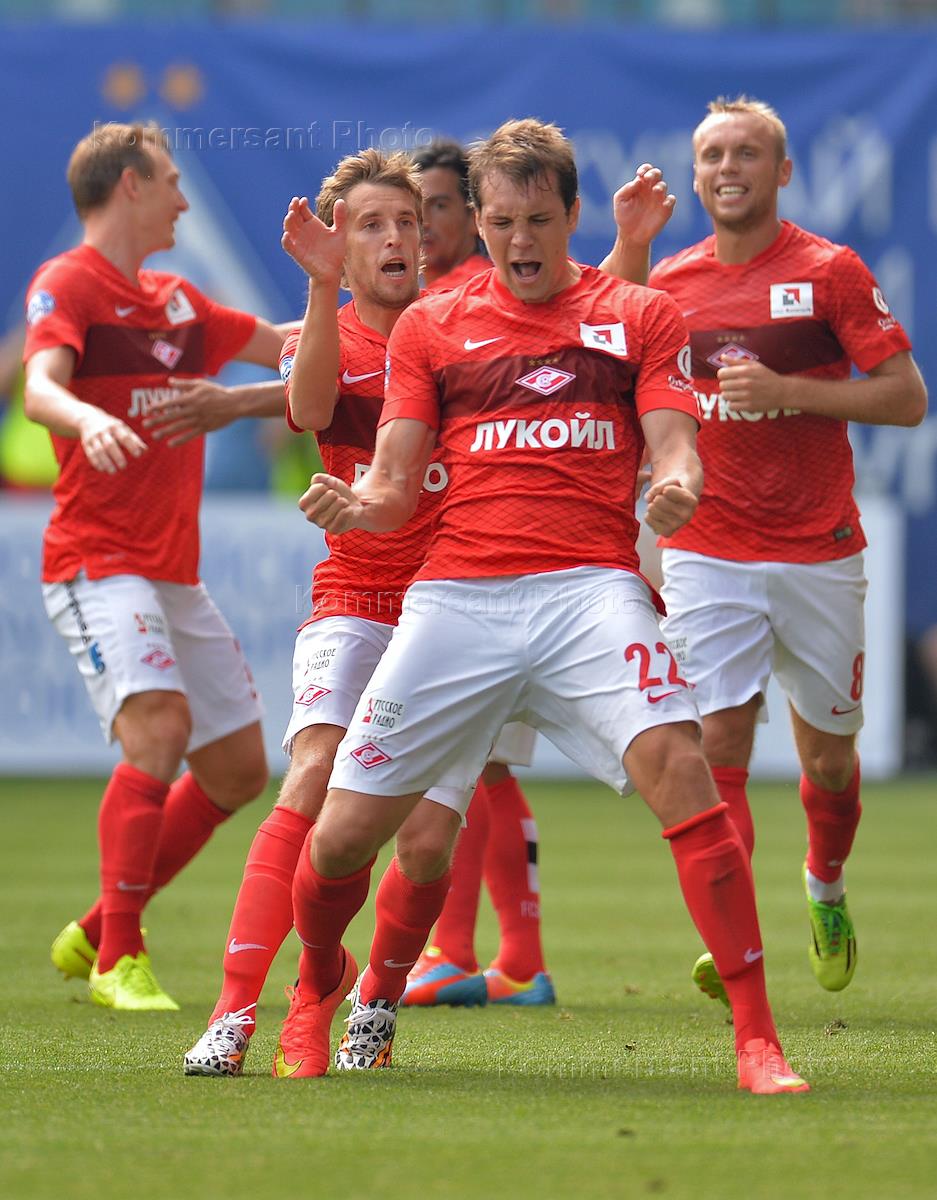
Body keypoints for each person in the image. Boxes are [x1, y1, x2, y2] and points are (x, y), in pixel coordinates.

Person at [287, 118, 808, 1094]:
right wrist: (358, 506)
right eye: (499, 223)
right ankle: (319, 984)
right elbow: (393, 481)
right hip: (457, 599)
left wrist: (677, 483)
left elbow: (674, 442)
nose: (518, 241)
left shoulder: (638, 315)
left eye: (536, 220)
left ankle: (756, 1041)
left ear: (572, 215)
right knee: (343, 836)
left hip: (587, 592)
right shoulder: (432, 326)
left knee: (681, 768)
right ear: (476, 223)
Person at [182, 145, 674, 1074]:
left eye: (407, 221)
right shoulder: (328, 330)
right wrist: (320, 288)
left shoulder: (462, 319)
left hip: (458, 605)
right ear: (340, 246)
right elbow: (309, 407)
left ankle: (375, 997)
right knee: (312, 775)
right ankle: (243, 1009)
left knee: (425, 838)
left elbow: (591, 323)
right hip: (358, 596)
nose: (395, 238)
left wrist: (631, 245)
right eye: (369, 225)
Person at [647, 96, 927, 1006]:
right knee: (717, 740)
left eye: (746, 153)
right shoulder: (670, 286)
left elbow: (905, 398)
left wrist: (788, 391)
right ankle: (736, 936)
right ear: (694, 176)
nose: (727, 168)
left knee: (829, 763)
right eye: (712, 155)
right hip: (708, 548)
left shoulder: (828, 271)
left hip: (817, 549)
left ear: (782, 171)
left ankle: (824, 885)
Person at [403, 137, 676, 1009]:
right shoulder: (423, 310)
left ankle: (471, 952)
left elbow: (597, 334)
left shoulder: (480, 294)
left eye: (435, 207)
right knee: (477, 764)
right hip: (467, 564)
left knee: (476, 760)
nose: (420, 224)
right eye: (408, 210)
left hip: (538, 564)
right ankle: (503, 955)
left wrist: (629, 246)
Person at [24, 122, 289, 1010]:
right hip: (96, 562)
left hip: (172, 572)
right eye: (170, 181)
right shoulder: (69, 282)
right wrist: (85, 415)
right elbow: (39, 385)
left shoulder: (179, 302)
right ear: (130, 184)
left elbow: (283, 344)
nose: (182, 198)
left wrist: (366, 306)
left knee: (239, 770)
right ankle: (119, 959)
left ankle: (98, 925)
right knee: (160, 729)